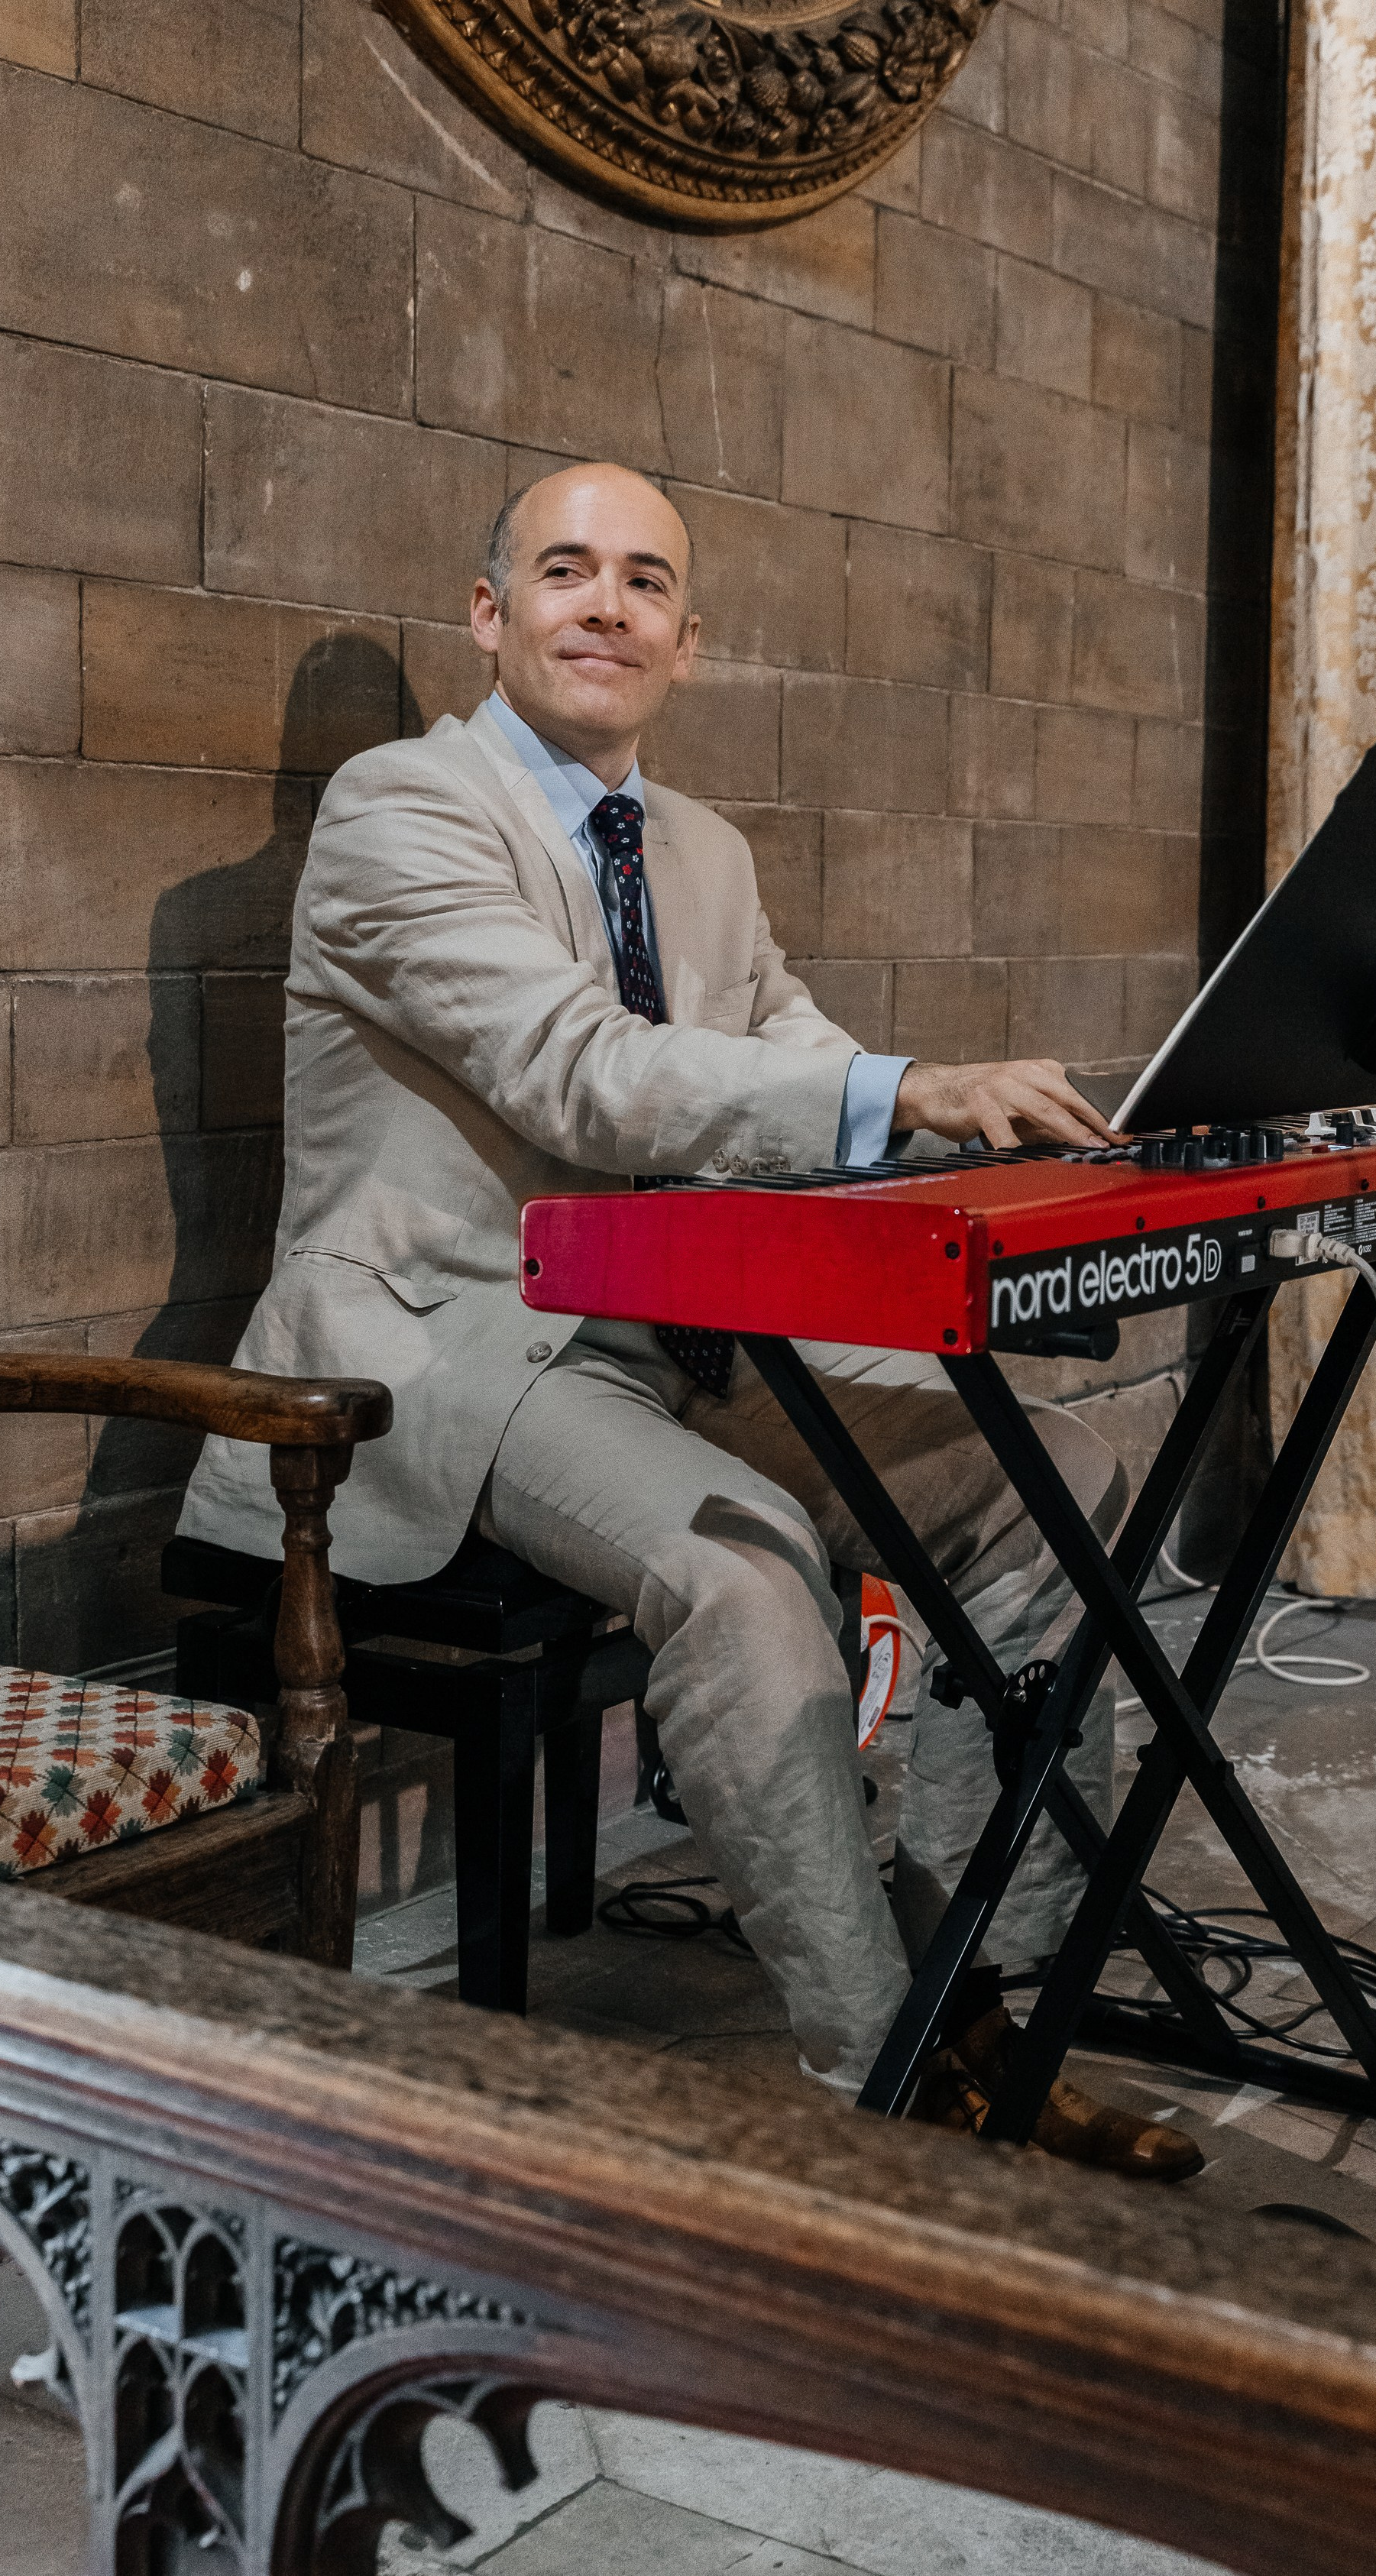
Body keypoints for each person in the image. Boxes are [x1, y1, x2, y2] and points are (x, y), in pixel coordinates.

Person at [180, 462, 1200, 2181]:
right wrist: (918, 1091)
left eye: (644, 581)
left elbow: (789, 1066)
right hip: (446, 1343)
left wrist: (991, 1126)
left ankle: (975, 1994)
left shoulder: (705, 853)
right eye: (564, 572)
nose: (606, 605)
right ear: (492, 616)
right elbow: (578, 1073)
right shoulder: (398, 808)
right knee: (746, 1573)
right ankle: (884, 2102)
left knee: (1061, 1476)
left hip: (673, 1336)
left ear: (686, 640)